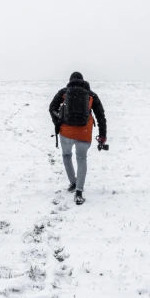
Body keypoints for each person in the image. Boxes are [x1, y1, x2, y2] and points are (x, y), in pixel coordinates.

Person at [49, 71, 107, 205]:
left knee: (66, 155)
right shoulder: (91, 95)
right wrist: (103, 135)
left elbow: (52, 108)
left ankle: (73, 183)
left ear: (70, 80)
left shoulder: (64, 92)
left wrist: (58, 122)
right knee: (81, 158)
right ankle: (79, 191)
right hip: (84, 132)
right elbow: (101, 116)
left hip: (66, 132)